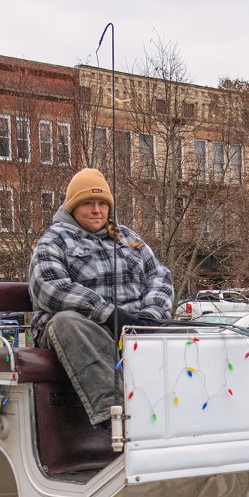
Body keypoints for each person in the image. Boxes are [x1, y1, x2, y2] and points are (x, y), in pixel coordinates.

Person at [29, 168, 174, 425]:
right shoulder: (53, 240)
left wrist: (149, 317)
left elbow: (160, 277)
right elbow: (49, 287)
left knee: (190, 333)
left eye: (102, 204)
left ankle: (184, 413)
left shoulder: (128, 238)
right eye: (87, 203)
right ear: (72, 206)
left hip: (132, 327)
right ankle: (118, 416)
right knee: (67, 322)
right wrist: (106, 314)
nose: (97, 210)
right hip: (79, 330)